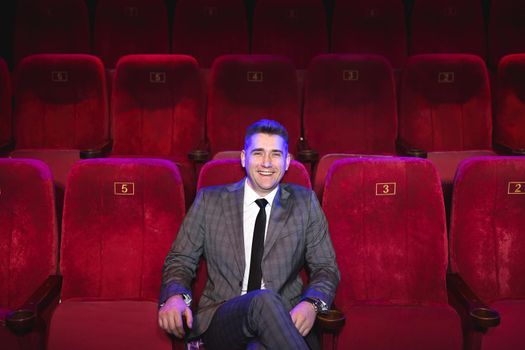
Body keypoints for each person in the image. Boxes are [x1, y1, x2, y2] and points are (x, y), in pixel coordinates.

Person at [158, 119, 340, 349]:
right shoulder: (209, 201)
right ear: (244, 158)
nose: (266, 163)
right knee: (262, 299)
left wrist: (312, 304)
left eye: (275, 154)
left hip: (287, 319)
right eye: (258, 153)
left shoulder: (305, 203)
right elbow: (180, 260)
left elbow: (326, 267)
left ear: (287, 162)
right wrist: (175, 297)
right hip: (224, 319)